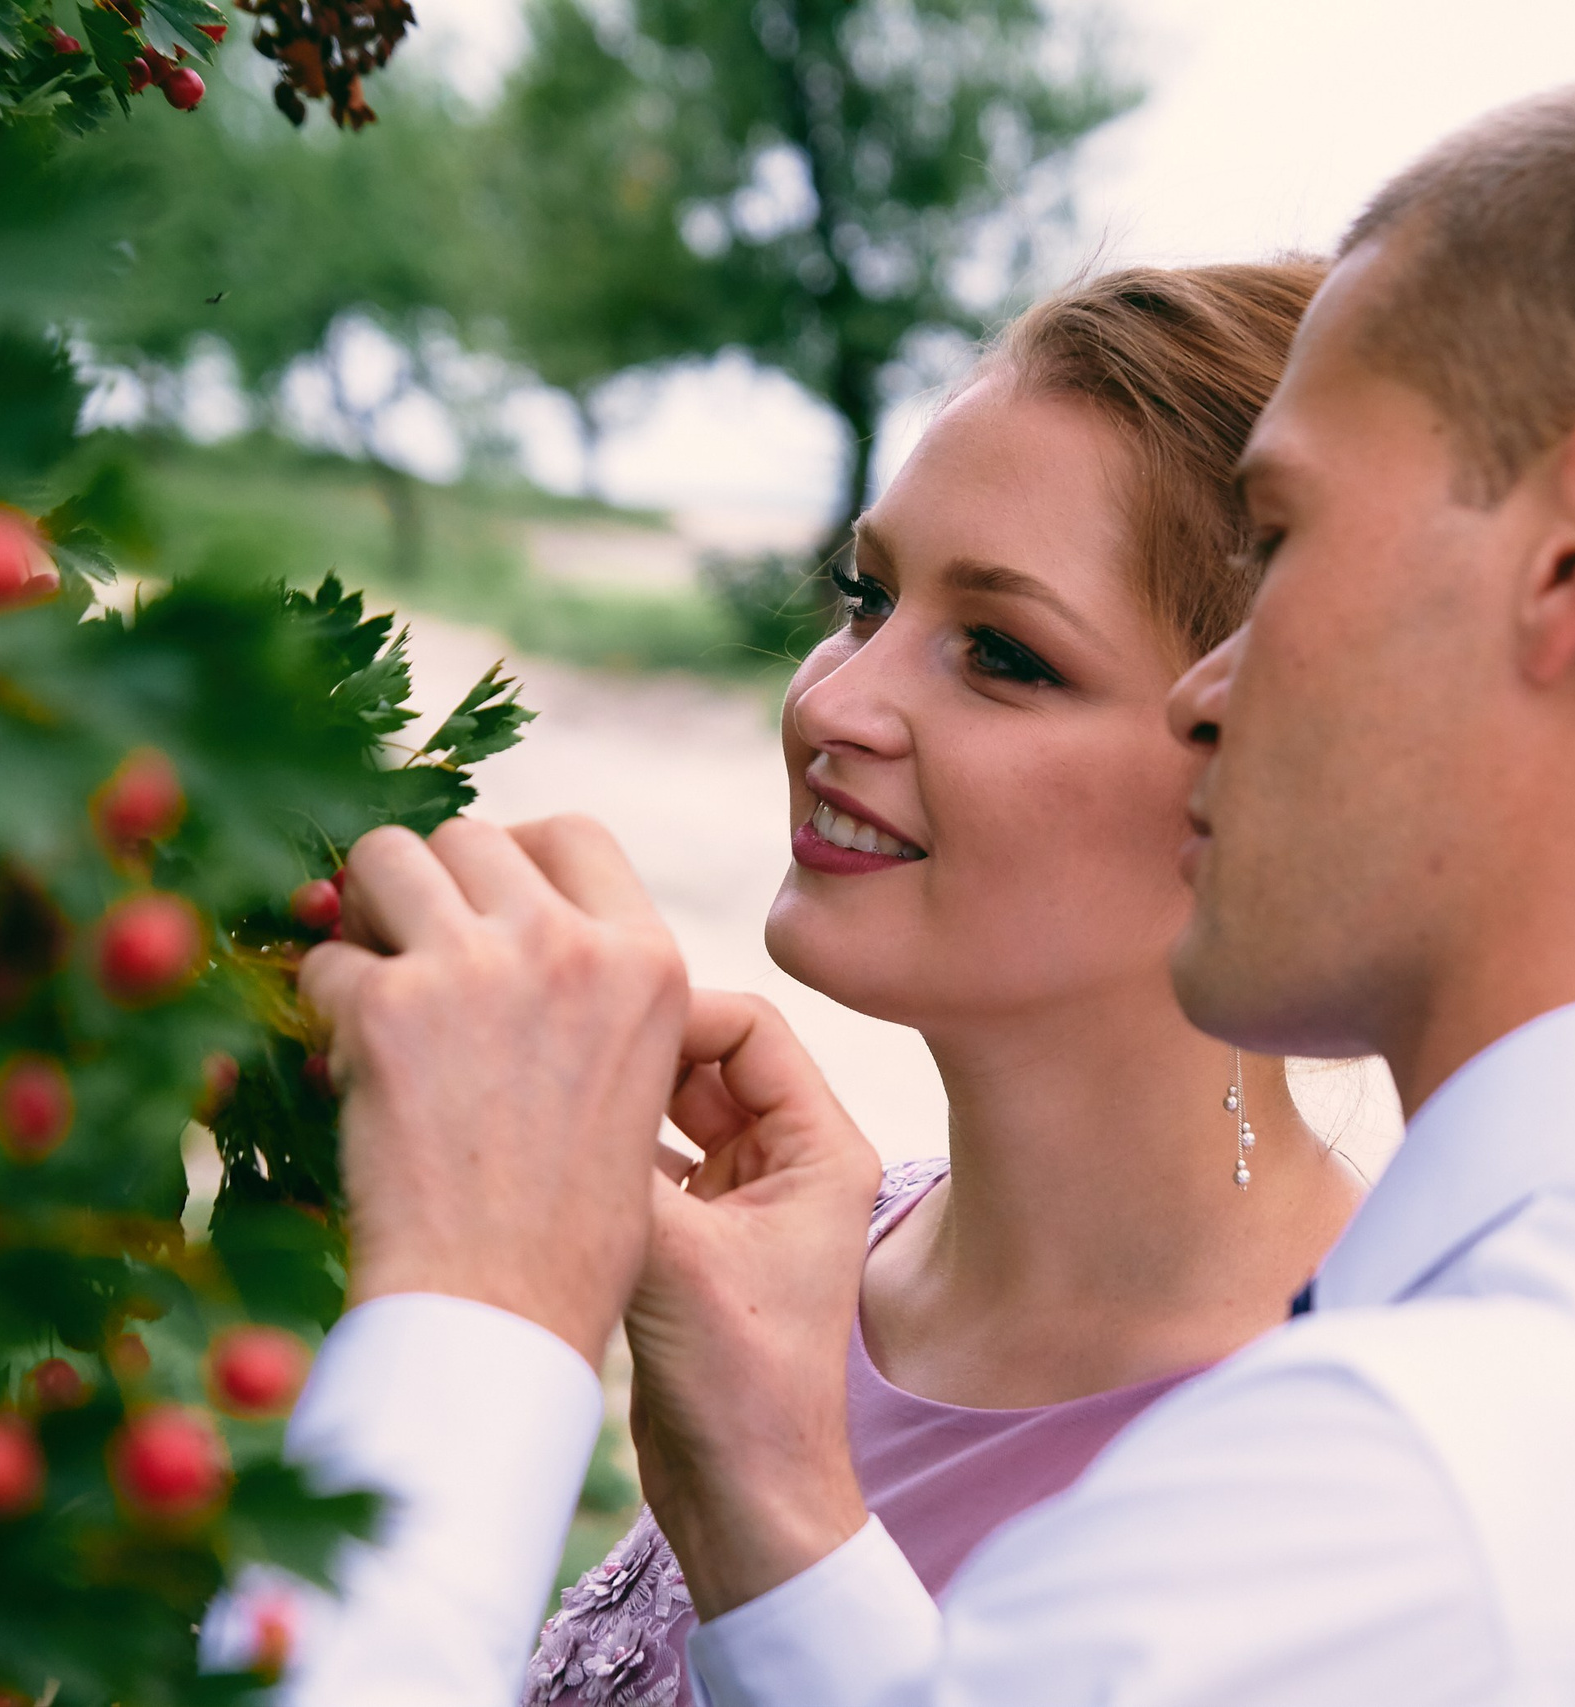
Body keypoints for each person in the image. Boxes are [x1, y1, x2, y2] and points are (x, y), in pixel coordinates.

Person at [273, 43, 1575, 1707]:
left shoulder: (1365, 1521)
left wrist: (473, 1311)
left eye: (1282, 535)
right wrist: (775, 1503)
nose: (1211, 690)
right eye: (862, 600)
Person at [517, 262, 1366, 1705]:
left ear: (1269, 767)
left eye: (1002, 654)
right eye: (865, 597)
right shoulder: (806, 1260)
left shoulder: (1325, 1483)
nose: (831, 701)